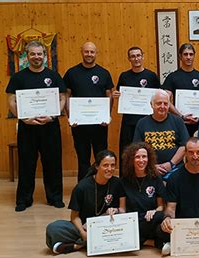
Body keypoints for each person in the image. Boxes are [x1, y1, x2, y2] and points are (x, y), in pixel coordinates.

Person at [6, 40, 66, 212]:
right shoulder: (18, 77)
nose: (36, 57)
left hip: (50, 127)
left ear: (44, 56)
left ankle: (55, 197)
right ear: (27, 55)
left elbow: (62, 98)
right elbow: (11, 101)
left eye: (39, 54)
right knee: (26, 164)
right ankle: (23, 200)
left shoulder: (54, 76)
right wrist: (23, 118)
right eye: (33, 54)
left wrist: (53, 115)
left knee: (53, 163)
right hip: (27, 127)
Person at [45, 150, 125, 254]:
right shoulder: (82, 187)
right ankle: (90, 242)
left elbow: (123, 210)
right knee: (53, 228)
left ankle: (78, 246)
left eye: (113, 165)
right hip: (85, 226)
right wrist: (82, 233)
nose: (110, 169)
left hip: (108, 227)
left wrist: (116, 210)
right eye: (105, 165)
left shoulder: (118, 183)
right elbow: (74, 217)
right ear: (97, 166)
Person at [63, 41, 114, 181]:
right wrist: (70, 117)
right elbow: (66, 96)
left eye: (92, 52)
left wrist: (107, 116)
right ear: (81, 52)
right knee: (83, 159)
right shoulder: (72, 73)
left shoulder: (103, 73)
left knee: (102, 158)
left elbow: (109, 95)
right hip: (79, 125)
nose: (89, 54)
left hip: (100, 125)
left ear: (96, 53)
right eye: (86, 51)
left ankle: (103, 186)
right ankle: (83, 189)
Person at [113, 46, 160, 176]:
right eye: (133, 56)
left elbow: (157, 95)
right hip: (129, 121)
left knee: (147, 153)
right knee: (127, 152)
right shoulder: (124, 76)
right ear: (129, 59)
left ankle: (149, 178)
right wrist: (116, 95)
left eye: (138, 55)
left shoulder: (151, 76)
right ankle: (125, 181)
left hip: (147, 122)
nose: (136, 58)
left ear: (143, 57)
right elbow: (120, 94)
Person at [133, 89, 189, 180]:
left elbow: (184, 146)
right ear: (152, 104)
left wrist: (171, 164)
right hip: (148, 169)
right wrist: (151, 166)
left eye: (165, 104)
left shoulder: (178, 121)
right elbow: (137, 149)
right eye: (159, 103)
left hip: (175, 168)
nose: (162, 106)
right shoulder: (142, 123)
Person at [121, 142, 166, 248]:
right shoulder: (124, 181)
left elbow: (161, 206)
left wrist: (154, 211)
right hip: (133, 221)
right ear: (131, 160)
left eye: (144, 157)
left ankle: (139, 241)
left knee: (160, 217)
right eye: (137, 157)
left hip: (149, 219)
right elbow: (122, 209)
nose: (141, 160)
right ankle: (150, 242)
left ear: (149, 158)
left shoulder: (156, 178)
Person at [162, 43, 199, 136]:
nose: (188, 57)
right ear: (180, 56)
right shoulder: (172, 77)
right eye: (185, 54)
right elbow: (165, 99)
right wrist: (181, 116)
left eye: (191, 54)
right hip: (179, 123)